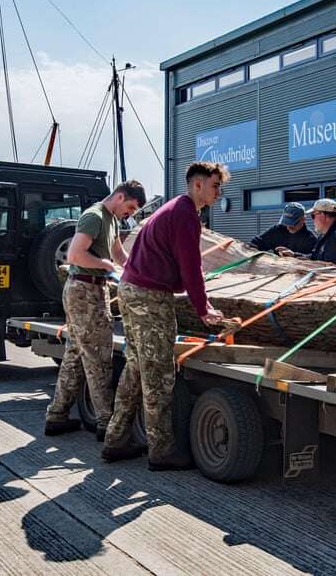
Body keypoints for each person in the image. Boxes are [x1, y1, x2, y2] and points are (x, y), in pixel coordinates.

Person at [101, 161, 229, 470]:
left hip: (132, 290)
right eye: (215, 186)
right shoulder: (184, 215)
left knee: (136, 366)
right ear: (197, 185)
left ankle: (115, 440)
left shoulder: (173, 209)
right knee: (158, 372)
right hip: (149, 296)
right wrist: (204, 308)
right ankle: (161, 451)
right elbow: (191, 267)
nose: (218, 192)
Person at [45, 180, 146, 439]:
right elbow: (75, 256)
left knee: (76, 354)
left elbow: (119, 254)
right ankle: (106, 424)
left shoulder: (111, 219)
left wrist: (139, 270)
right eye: (131, 207)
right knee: (98, 356)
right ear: (120, 197)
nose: (130, 214)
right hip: (84, 290)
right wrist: (106, 266)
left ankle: (56, 416)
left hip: (92, 289)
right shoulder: (94, 216)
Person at [278, 198, 336, 270]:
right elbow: (315, 257)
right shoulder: (326, 235)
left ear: (323, 215)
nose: (312, 220)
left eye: (313, 215)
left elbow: (333, 271)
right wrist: (294, 255)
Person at [249, 202, 316, 255]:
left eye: (293, 223)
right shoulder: (277, 230)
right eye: (286, 222)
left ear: (303, 219)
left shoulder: (311, 239)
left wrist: (294, 255)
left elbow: (312, 259)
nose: (289, 227)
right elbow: (256, 243)